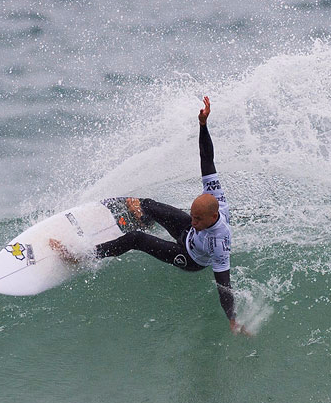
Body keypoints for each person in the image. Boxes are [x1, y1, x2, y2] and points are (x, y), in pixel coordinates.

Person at [50, 96, 246, 334]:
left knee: (136, 239)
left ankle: (83, 255)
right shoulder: (215, 199)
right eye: (192, 216)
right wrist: (203, 125)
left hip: (190, 257)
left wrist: (232, 319)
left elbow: (224, 284)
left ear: (211, 218)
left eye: (197, 219)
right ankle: (146, 219)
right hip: (186, 236)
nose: (193, 222)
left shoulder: (219, 243)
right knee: (148, 204)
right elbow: (207, 159)